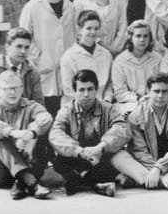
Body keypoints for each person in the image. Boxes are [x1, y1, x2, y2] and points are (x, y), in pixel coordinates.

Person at [49, 69, 131, 197]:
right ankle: (100, 181)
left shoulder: (108, 108)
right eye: (81, 90)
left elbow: (122, 128)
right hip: (78, 155)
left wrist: (101, 147)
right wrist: (78, 151)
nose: (86, 94)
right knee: (60, 161)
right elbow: (55, 133)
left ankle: (76, 180)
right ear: (75, 92)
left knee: (112, 158)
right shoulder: (66, 110)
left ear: (96, 90)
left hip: (101, 153)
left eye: (90, 89)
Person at [0, 71, 52, 200]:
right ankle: (29, 181)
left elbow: (46, 118)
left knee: (38, 132)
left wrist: (30, 133)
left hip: (28, 162)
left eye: (16, 88)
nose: (12, 92)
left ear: (22, 89)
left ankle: (21, 180)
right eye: (7, 89)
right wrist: (13, 133)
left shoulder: (31, 106)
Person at [113, 73, 168, 190]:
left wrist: (159, 168)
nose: (160, 96)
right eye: (156, 91)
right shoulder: (136, 116)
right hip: (146, 163)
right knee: (119, 157)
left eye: (164, 91)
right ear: (148, 92)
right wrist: (156, 170)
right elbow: (139, 151)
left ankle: (141, 180)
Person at [19, 0, 76, 118]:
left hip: (65, 69)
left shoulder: (69, 6)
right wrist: (39, 58)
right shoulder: (33, 6)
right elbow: (23, 37)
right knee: (44, 115)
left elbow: (74, 36)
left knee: (64, 116)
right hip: (42, 69)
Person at [0, 28, 43, 128]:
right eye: (18, 46)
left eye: (26, 47)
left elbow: (38, 101)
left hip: (24, 115)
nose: (23, 51)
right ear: (7, 47)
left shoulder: (32, 70)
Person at [60, 10, 114, 102]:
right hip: (77, 104)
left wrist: (107, 100)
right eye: (89, 28)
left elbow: (110, 85)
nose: (93, 32)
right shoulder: (68, 57)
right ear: (79, 29)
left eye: (96, 28)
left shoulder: (106, 55)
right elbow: (69, 90)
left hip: (103, 104)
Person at [111, 20, 162, 114]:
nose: (142, 40)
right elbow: (119, 92)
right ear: (130, 38)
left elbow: (162, 84)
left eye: (145, 36)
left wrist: (151, 97)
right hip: (130, 104)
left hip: (154, 101)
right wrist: (138, 99)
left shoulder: (157, 58)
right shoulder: (120, 61)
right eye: (138, 36)